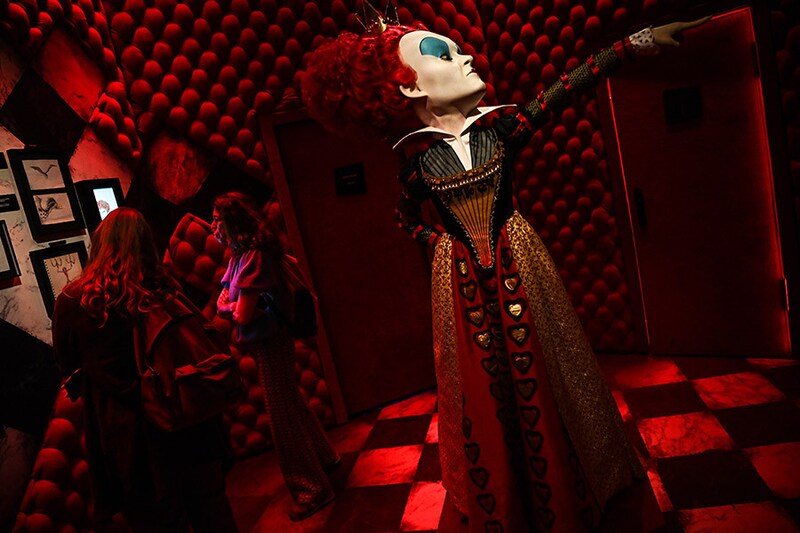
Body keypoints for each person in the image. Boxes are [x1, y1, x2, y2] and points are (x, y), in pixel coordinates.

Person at [303, 8, 708, 532]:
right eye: (444, 54)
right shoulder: (416, 165)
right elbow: (403, 219)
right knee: (482, 384)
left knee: (551, 367)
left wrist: (635, 43)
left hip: (520, 260)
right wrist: (440, 244)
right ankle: (511, 500)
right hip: (464, 282)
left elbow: (563, 90)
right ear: (408, 91)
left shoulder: (502, 131)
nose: (466, 55)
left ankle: (571, 489)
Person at [52, 207, 237, 532]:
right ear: (145, 243)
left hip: (130, 440)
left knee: (158, 521)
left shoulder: (73, 300)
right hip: (188, 416)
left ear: (100, 244)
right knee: (213, 514)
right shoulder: (164, 289)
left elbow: (69, 369)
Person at [211, 191, 339, 521]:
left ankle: (312, 489)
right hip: (264, 343)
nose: (212, 226)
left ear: (229, 221)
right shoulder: (239, 256)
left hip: (271, 344)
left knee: (281, 416)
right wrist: (230, 306)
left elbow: (241, 314)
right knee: (290, 403)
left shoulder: (252, 256)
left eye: (215, 219)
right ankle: (326, 459)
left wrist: (230, 307)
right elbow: (225, 301)